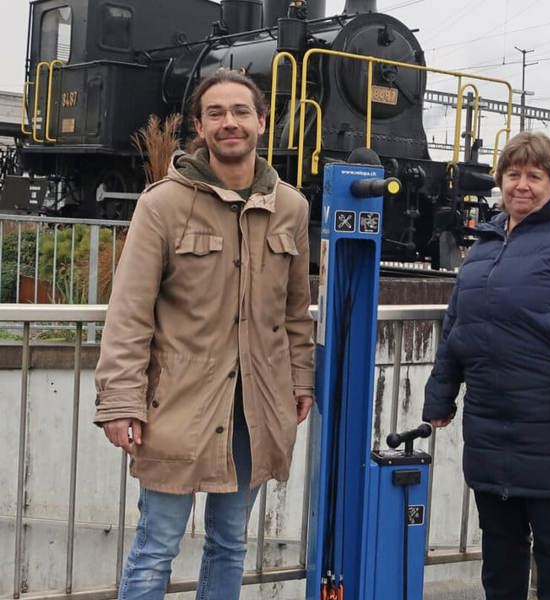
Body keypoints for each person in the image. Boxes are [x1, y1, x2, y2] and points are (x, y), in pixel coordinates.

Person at [93, 69, 314, 600]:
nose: (230, 123)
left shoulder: (291, 207)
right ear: (200, 126)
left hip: (255, 407)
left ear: (262, 122)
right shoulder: (162, 204)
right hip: (177, 404)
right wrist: (122, 400)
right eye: (216, 113)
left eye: (241, 112)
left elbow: (295, 311)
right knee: (156, 545)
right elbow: (129, 312)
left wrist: (300, 381)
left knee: (230, 543)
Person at [423, 131, 550, 600]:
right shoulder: (487, 245)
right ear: (500, 182)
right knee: (501, 544)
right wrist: (440, 392)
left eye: (534, 176)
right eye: (513, 175)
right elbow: (458, 326)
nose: (522, 185)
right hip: (493, 423)